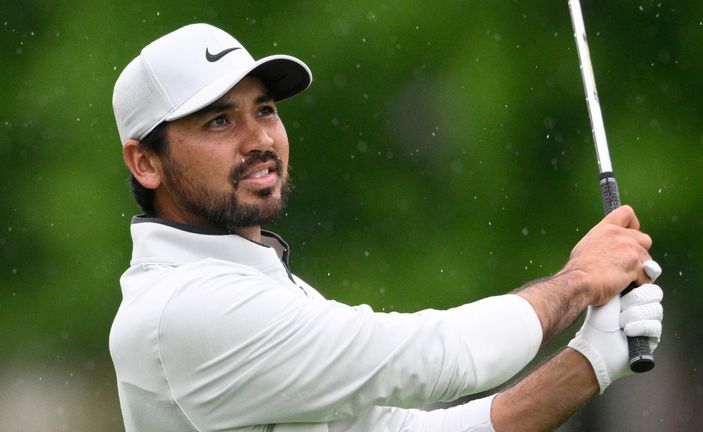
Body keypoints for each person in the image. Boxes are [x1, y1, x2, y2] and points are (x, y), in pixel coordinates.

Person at [109, 23, 664, 432]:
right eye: (219, 120)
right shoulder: (184, 309)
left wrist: (589, 363)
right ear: (146, 162)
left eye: (266, 110)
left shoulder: (259, 283)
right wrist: (577, 281)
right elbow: (441, 358)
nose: (258, 139)